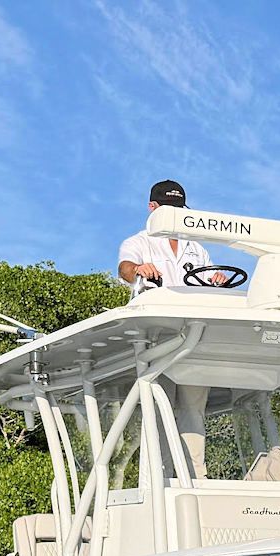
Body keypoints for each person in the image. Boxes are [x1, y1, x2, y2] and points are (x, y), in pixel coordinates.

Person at [116, 180, 225, 478]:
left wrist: (216, 278)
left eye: (179, 209)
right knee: (159, 408)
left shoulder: (196, 248)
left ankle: (195, 477)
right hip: (158, 339)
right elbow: (125, 268)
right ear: (153, 208)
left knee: (193, 411)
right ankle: (158, 478)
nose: (176, 215)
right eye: (169, 209)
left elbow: (210, 274)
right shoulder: (139, 242)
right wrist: (139, 270)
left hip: (194, 338)